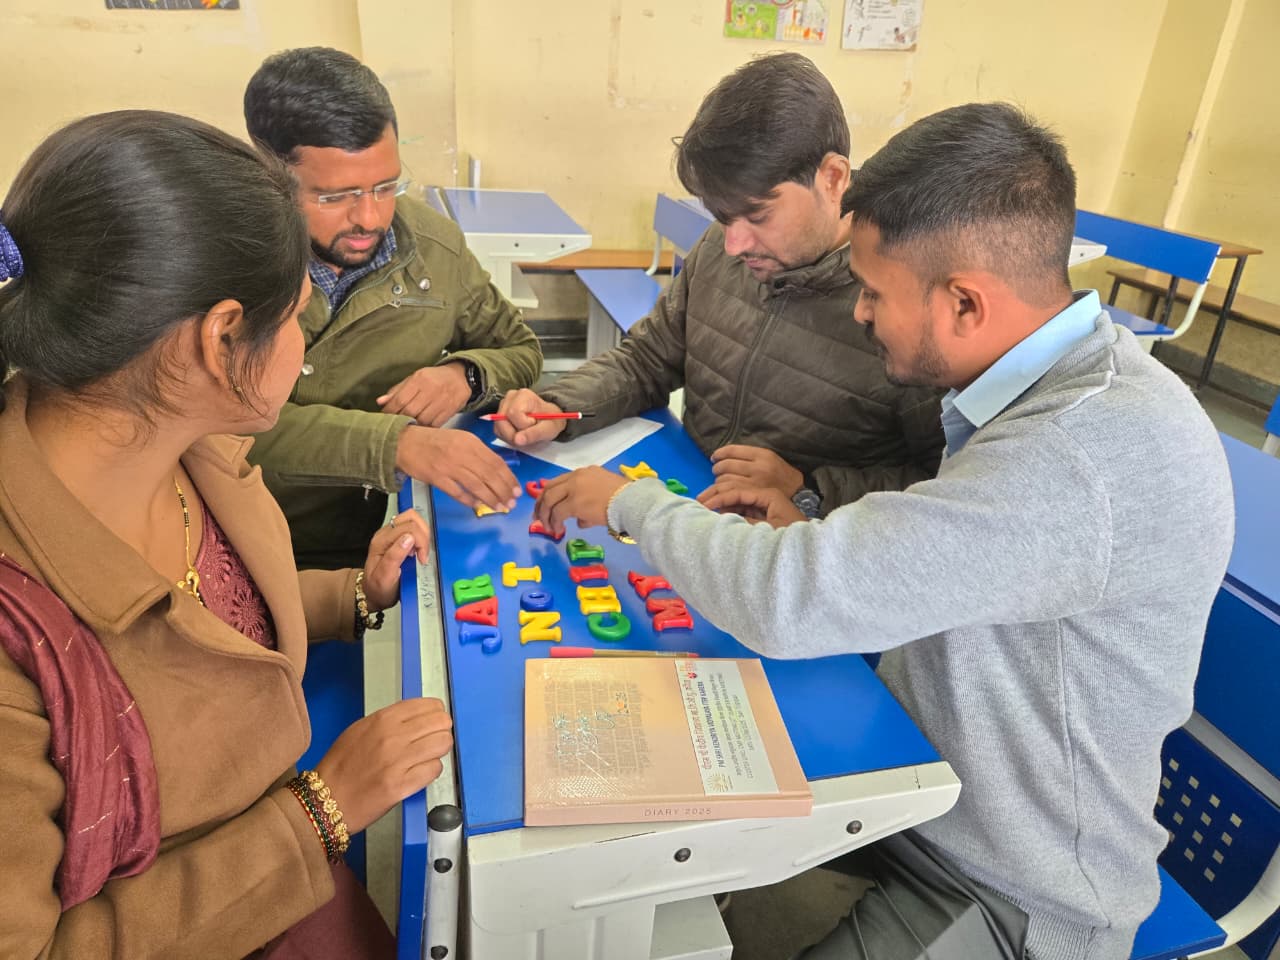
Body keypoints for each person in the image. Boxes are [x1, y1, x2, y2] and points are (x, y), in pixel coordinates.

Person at [531, 103, 1235, 960]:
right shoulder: (1045, 379)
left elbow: (789, 598)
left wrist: (631, 506)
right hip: (911, 785)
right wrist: (818, 510)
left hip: (1012, 886)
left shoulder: (1079, 453)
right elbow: (938, 548)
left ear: (965, 302)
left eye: (872, 293)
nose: (860, 314)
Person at [0, 111, 453, 959]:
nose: (300, 345)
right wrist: (321, 813)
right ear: (219, 339)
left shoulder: (186, 452)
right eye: (296, 319)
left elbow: (205, 620)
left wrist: (353, 594)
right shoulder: (17, 640)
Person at [495, 53, 943, 516]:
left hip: (791, 544)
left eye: (758, 215)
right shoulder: (721, 246)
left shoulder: (904, 298)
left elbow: (944, 485)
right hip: (690, 512)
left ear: (832, 179)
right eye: (722, 217)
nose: (733, 244)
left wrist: (809, 488)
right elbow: (648, 359)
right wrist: (559, 407)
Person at [243, 46, 543, 569]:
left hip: (357, 544)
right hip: (237, 540)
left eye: (386, 187)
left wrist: (465, 376)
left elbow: (519, 348)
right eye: (335, 196)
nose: (369, 217)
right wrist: (397, 444)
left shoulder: (433, 248)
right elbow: (219, 434)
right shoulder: (224, 263)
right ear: (270, 174)